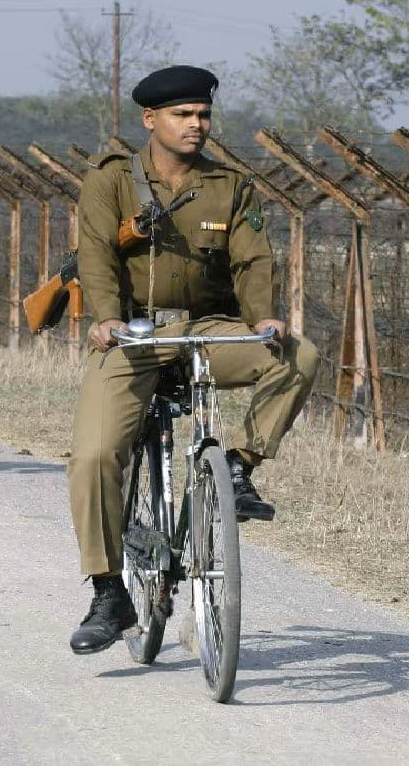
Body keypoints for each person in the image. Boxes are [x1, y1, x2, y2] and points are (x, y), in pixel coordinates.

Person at [65, 65, 320, 654]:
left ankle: (237, 465)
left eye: (202, 115)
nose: (196, 125)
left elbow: (253, 260)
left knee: (297, 356)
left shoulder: (229, 185)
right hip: (131, 335)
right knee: (96, 454)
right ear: (150, 120)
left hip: (207, 328)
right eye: (182, 115)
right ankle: (108, 592)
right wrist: (103, 317)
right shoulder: (110, 182)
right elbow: (97, 254)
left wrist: (263, 318)